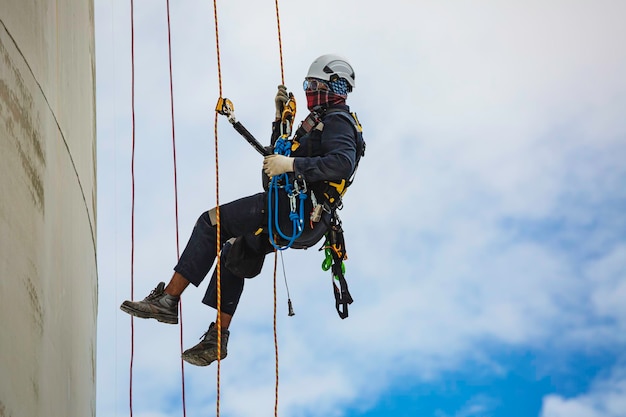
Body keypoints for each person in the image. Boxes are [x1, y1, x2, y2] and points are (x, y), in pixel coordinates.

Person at [120, 54, 365, 367]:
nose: (309, 91)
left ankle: (168, 300)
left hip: (301, 211)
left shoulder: (338, 120)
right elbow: (270, 174)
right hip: (296, 215)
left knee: (211, 223)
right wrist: (279, 122)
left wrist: (292, 164)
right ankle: (217, 338)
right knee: (236, 251)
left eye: (314, 85)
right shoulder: (316, 124)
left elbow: (342, 163)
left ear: (335, 86)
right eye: (307, 85)